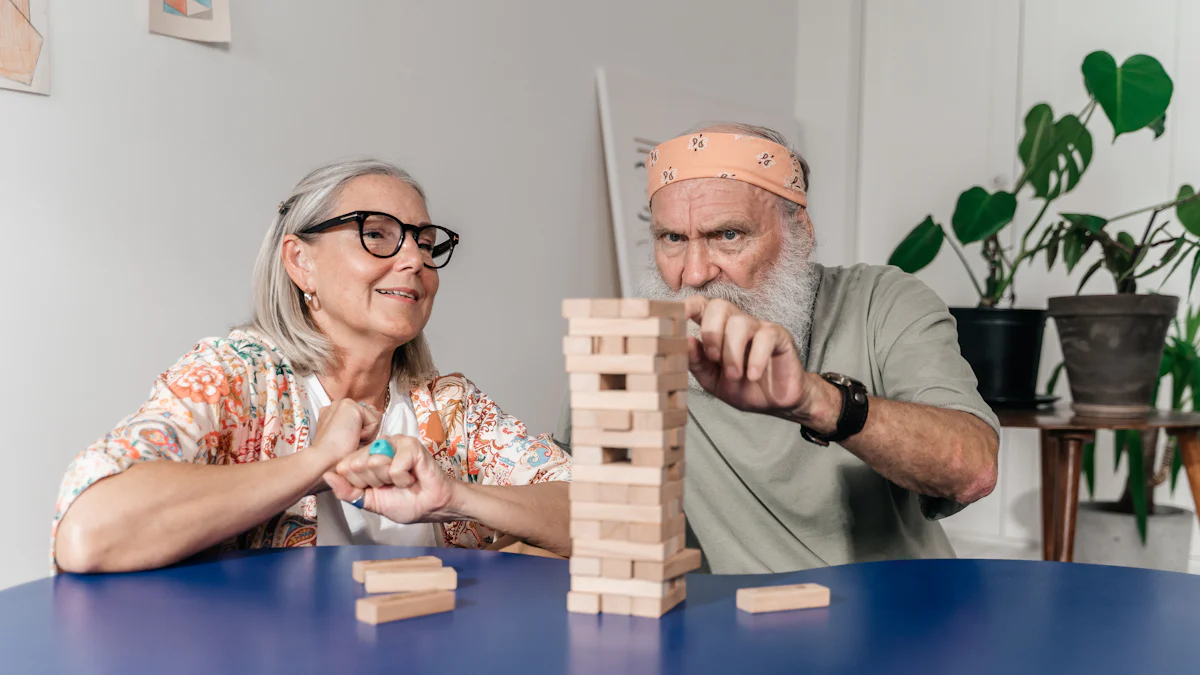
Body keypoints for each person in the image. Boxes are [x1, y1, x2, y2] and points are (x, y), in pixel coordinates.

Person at [53, 158, 571, 573]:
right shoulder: (236, 378)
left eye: (426, 242)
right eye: (378, 233)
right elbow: (88, 532)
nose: (414, 259)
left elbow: (619, 518)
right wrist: (315, 465)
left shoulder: (451, 409)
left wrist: (455, 496)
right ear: (301, 262)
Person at [555, 123, 1000, 574]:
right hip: (720, 631)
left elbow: (974, 470)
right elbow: (572, 515)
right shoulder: (629, 355)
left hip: (895, 618)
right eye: (672, 238)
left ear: (800, 233)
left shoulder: (880, 302)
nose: (693, 273)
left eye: (727, 235)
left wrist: (816, 401)